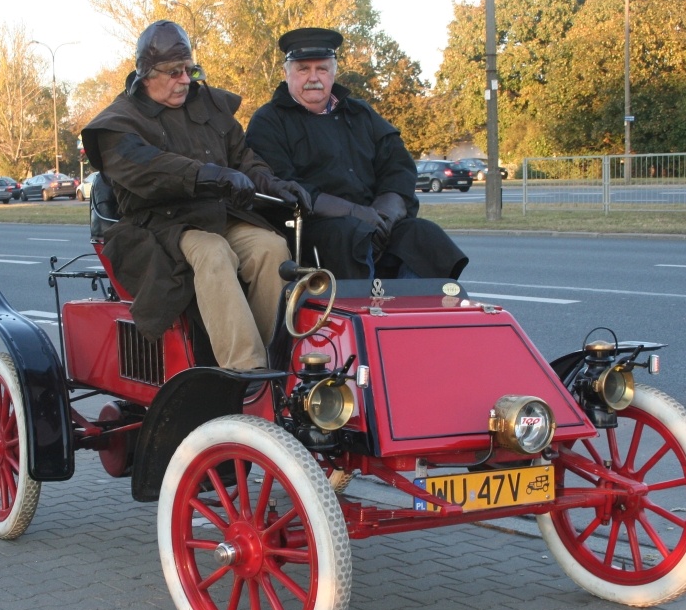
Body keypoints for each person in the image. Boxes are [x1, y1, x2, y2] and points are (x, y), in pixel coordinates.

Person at [80, 20, 310, 371]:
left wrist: (272, 184)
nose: (186, 80)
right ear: (145, 73)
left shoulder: (208, 105)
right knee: (213, 252)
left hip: (218, 215)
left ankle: (275, 361)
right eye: (175, 72)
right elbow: (148, 167)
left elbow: (243, 159)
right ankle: (246, 371)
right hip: (159, 226)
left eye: (190, 69)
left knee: (271, 248)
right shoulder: (118, 122)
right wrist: (211, 175)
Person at [246, 27, 468, 281]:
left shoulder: (360, 114)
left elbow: (398, 166)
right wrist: (354, 213)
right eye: (303, 69)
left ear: (334, 72)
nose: (313, 78)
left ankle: (413, 313)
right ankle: (364, 315)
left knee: (423, 234)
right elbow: (281, 184)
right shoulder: (269, 121)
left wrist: (385, 214)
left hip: (375, 219)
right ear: (286, 73)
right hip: (312, 225)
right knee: (351, 235)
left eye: (322, 69)